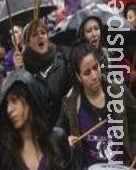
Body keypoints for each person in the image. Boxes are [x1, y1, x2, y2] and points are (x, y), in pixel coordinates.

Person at [57, 40, 136, 169]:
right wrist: (67, 141)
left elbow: (134, 118)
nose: (94, 76)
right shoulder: (71, 102)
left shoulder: (117, 90)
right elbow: (58, 137)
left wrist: (134, 150)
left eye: (95, 67)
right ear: (78, 76)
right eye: (87, 73)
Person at [0, 69, 71, 170]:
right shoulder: (2, 149)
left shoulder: (56, 139)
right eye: (6, 105)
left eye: (14, 100)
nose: (9, 110)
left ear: (30, 99)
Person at [19, 19, 71, 129]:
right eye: (34, 35)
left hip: (62, 134)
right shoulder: (24, 71)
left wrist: (57, 132)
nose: (40, 37)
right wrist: (18, 73)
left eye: (43, 33)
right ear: (27, 42)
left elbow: (69, 103)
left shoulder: (62, 64)